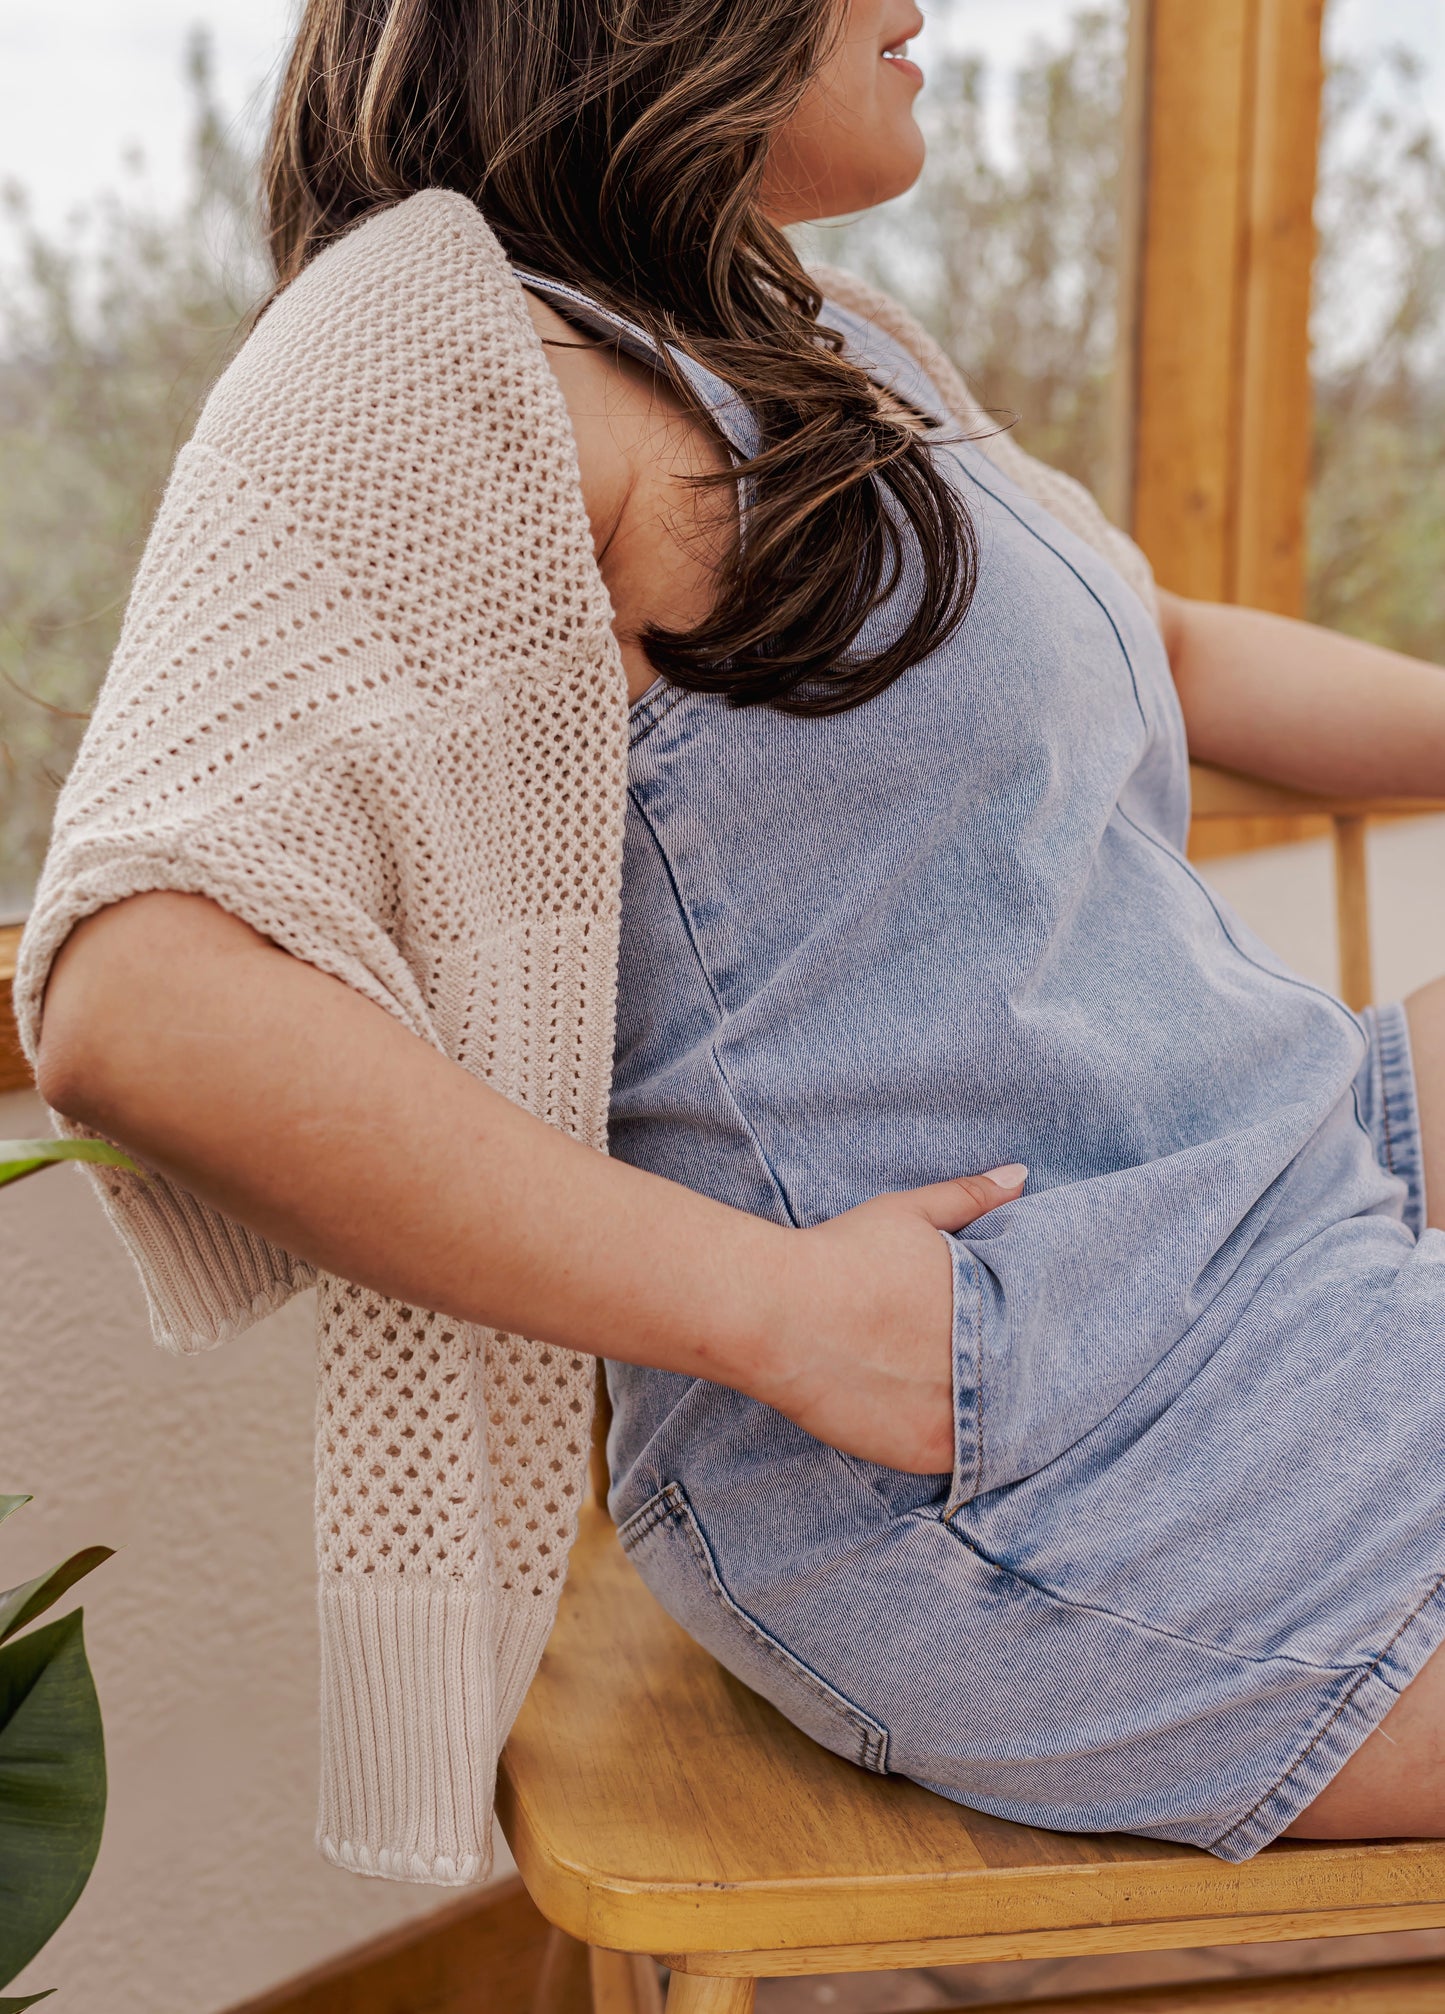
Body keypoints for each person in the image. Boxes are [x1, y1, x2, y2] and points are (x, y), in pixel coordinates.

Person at [22, 0, 1445, 1873]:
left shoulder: (813, 341)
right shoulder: (434, 338)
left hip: (1274, 1207)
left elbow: (1157, 643)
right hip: (1055, 1437)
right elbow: (143, 990)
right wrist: (780, 1315)